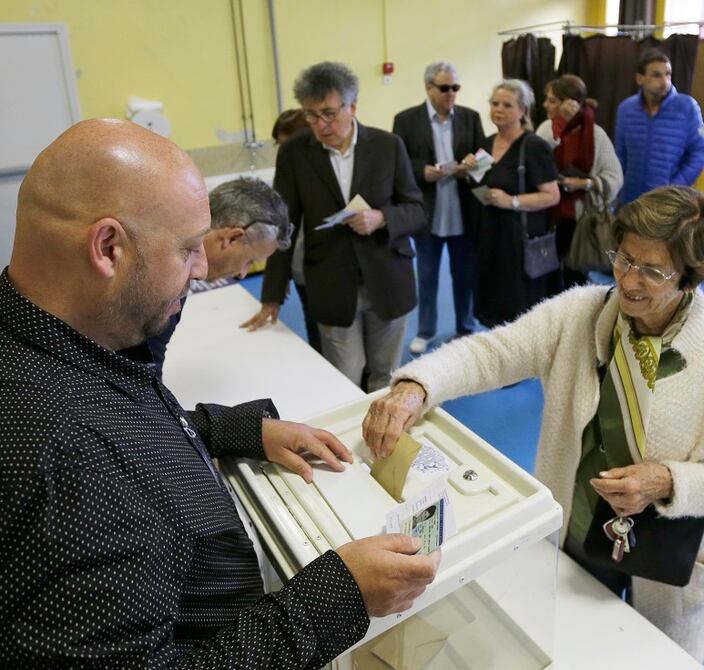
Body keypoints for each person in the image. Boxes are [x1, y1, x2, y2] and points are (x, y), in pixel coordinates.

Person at [0, 119, 440, 667]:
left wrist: (238, 429)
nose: (203, 267)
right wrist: (334, 599)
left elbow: (130, 415)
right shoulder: (69, 466)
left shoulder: (62, 341)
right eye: (188, 249)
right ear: (108, 248)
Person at [363, 186, 704, 661]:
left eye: (652, 271)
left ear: (690, 277)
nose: (629, 280)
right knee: (568, 650)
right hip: (576, 537)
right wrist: (416, 386)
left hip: (669, 564)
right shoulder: (579, 312)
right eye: (624, 259)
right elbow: (493, 353)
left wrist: (667, 481)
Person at [244, 61, 424, 391]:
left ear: (352, 106)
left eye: (329, 113)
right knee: (344, 378)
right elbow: (284, 223)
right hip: (331, 282)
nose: (320, 124)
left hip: (388, 279)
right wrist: (272, 295)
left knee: (385, 375)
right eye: (311, 115)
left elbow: (416, 209)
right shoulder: (295, 153)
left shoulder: (387, 145)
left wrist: (382, 218)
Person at [144, 176, 292, 369]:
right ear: (233, 238)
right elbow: (144, 365)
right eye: (250, 261)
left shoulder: (178, 256)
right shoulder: (166, 277)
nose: (242, 274)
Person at [393, 62, 485, 355]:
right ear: (428, 88)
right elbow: (400, 163)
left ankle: (466, 327)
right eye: (445, 88)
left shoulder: (470, 117)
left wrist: (473, 162)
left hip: (462, 209)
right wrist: (422, 172)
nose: (451, 93)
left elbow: (483, 155)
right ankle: (425, 330)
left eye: (456, 87)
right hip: (428, 211)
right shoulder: (406, 120)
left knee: (464, 274)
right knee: (427, 275)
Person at [469, 79, 560, 327]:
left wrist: (512, 201)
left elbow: (552, 195)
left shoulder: (534, 147)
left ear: (523, 110)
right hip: (489, 237)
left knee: (518, 307)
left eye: (507, 105)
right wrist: (469, 170)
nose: (498, 109)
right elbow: (478, 185)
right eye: (495, 103)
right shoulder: (486, 144)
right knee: (491, 303)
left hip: (519, 241)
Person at [536, 74, 623, 294]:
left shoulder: (595, 134)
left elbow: (615, 177)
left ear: (570, 103)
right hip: (548, 214)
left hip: (579, 217)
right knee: (546, 274)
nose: (545, 105)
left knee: (574, 277)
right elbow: (538, 162)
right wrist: (559, 129)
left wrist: (583, 183)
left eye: (552, 101)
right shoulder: (546, 128)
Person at [614, 49, 704, 206]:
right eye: (657, 75)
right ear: (640, 78)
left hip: (668, 203)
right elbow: (620, 154)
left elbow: (700, 151)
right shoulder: (626, 109)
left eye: (668, 74)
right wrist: (617, 189)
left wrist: (676, 187)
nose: (665, 81)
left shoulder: (687, 107)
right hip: (630, 200)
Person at [271, 108, 322, 353]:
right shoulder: (286, 174)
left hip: (331, 266)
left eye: (288, 144)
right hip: (302, 266)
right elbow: (281, 228)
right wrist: (282, 274)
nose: (285, 152)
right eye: (281, 146)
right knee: (314, 325)